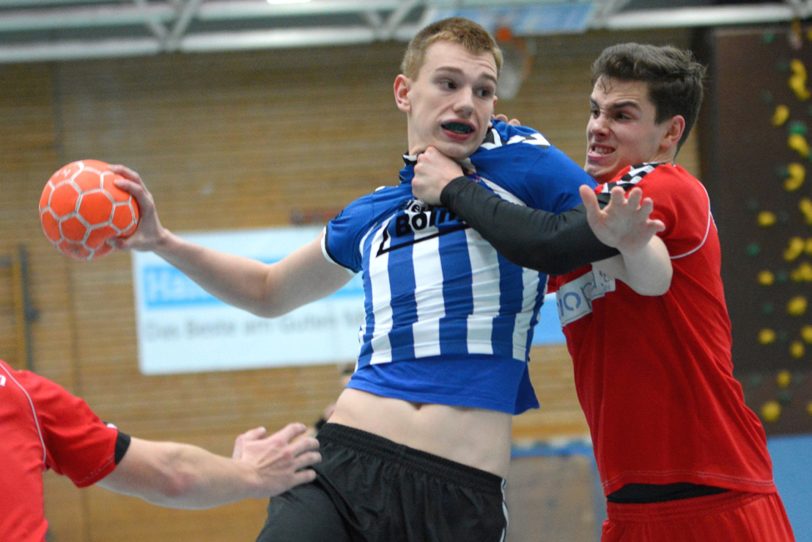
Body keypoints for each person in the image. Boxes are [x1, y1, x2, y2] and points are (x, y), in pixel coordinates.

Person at [109, 17, 659, 542]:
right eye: (448, 82)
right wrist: (164, 243)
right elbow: (267, 290)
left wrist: (635, 240)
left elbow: (614, 237)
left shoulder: (521, 165)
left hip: (457, 489)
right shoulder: (373, 211)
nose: (466, 101)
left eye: (483, 90)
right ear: (405, 92)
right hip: (344, 462)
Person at [411, 43, 795, 541]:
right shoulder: (586, 223)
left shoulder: (665, 186)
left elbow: (569, 249)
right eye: (595, 110)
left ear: (670, 133)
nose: (598, 127)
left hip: (718, 499)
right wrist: (494, 147)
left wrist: (455, 186)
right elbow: (525, 236)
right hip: (627, 511)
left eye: (622, 115)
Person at [0, 358, 320, 541]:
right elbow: (171, 476)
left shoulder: (24, 396)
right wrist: (249, 474)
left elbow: (171, 473)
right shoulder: (17, 393)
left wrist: (248, 473)